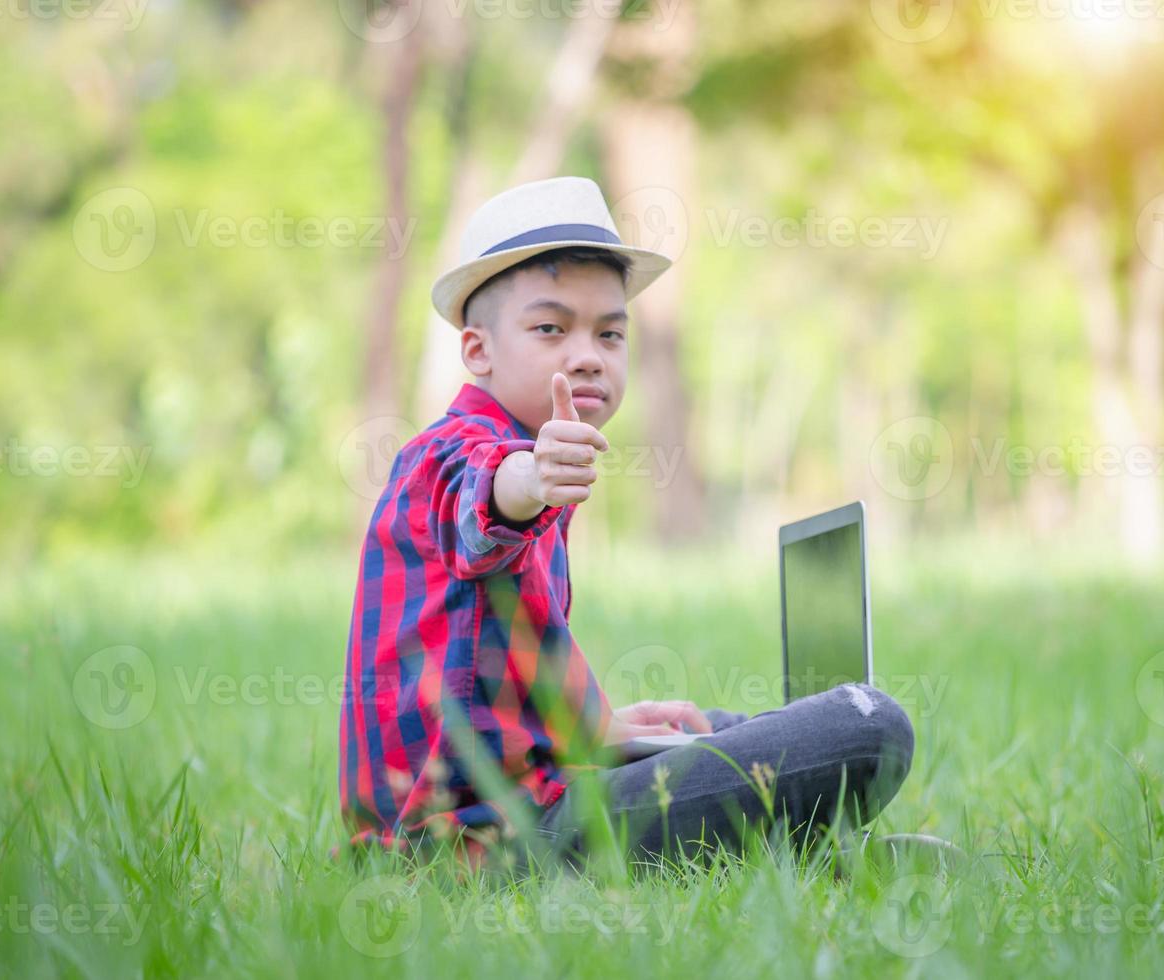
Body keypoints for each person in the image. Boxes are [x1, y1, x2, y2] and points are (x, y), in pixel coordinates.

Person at [337, 176, 914, 871]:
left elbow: (491, 661)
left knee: (718, 729)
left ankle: (819, 859)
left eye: (609, 332)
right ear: (477, 351)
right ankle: (833, 859)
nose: (588, 354)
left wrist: (598, 730)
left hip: (519, 800)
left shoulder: (534, 462)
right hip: (473, 846)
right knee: (868, 724)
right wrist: (530, 479)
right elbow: (480, 503)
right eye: (551, 327)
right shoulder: (451, 457)